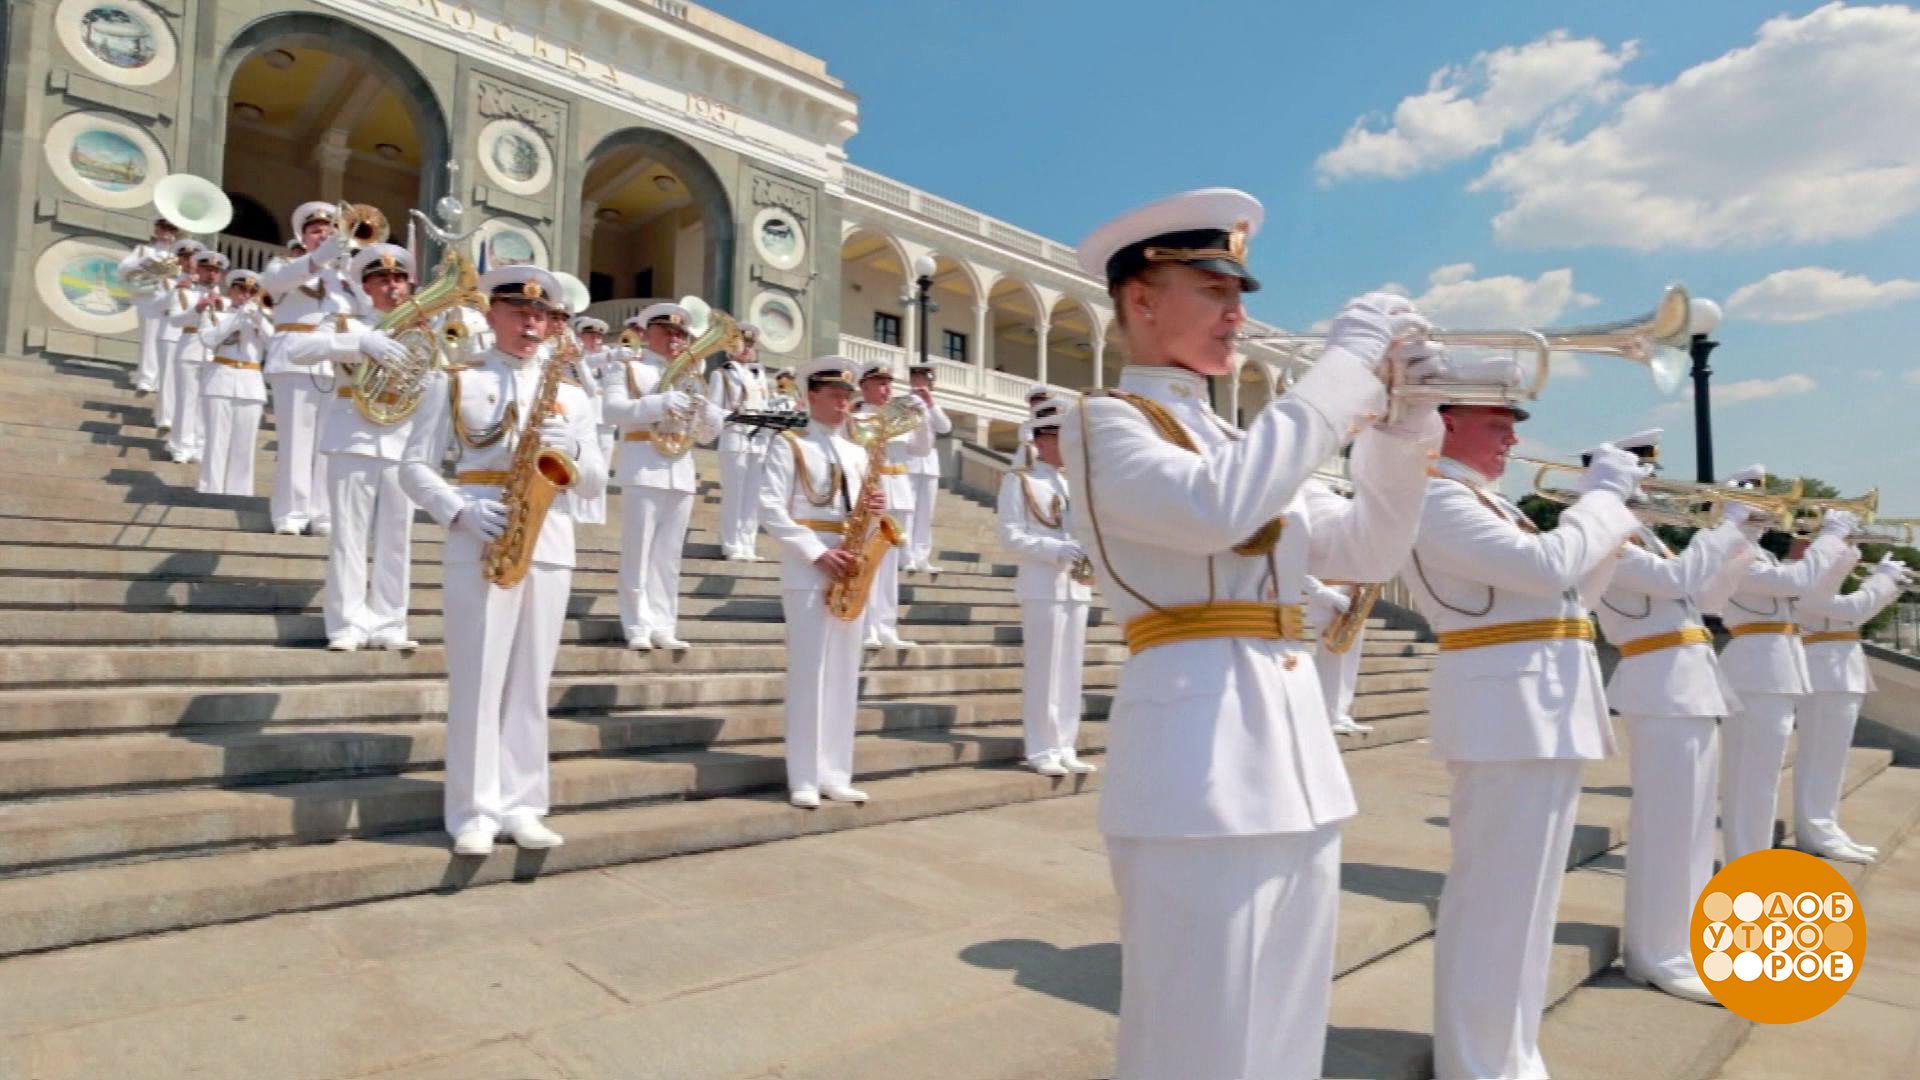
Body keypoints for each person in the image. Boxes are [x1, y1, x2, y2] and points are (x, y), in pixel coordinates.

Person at [1062, 188, 1444, 1080]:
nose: (1239, 314)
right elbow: (1217, 507)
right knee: (1197, 1037)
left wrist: (1400, 426)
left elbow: (1371, 546)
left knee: (1283, 1030)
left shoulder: (1236, 439)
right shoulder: (1105, 424)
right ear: (1142, 299)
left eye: (1241, 293)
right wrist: (1345, 366)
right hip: (1196, 764)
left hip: (1292, 757)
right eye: (1214, 289)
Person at [1407, 391, 1649, 1079]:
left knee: (1529, 906)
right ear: (1447, 422)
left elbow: (1572, 597)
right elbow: (1543, 569)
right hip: (1503, 713)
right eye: (1497, 423)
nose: (1511, 439)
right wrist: (1598, 501)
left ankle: (1511, 1055)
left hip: (1541, 708)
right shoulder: (1435, 497)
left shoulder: (1494, 503)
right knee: (1495, 902)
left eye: (1513, 426)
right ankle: (1476, 1062)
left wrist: (1610, 525)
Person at [397, 264, 607, 854]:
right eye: (519, 312)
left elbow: (593, 482)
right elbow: (413, 466)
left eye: (542, 316)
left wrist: (574, 456)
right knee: (478, 680)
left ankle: (524, 804)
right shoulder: (455, 380)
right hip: (479, 533)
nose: (531, 324)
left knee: (530, 683)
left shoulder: (571, 395)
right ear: (491, 315)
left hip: (550, 540)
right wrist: (457, 510)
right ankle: (471, 811)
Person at [1584, 429, 1753, 1005]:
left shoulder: (1645, 538)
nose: (1650, 486)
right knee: (1669, 828)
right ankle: (1659, 953)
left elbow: (1705, 600)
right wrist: (1724, 525)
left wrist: (1741, 540)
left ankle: (1677, 945)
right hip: (1660, 687)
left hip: (1687, 683)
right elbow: (1676, 581)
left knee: (1692, 825)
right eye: (1641, 475)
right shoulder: (1606, 537)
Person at [283, 243, 433, 652]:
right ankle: (347, 624)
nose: (393, 286)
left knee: (396, 540)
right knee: (348, 538)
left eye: (399, 278)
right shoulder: (347, 322)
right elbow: (295, 349)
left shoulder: (423, 330)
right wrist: (359, 344)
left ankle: (390, 622)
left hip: (404, 441)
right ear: (365, 285)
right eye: (382, 279)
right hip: (354, 437)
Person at [758, 355, 886, 809]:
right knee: (810, 674)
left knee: (843, 675)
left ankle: (836, 772)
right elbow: (771, 509)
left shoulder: (858, 452)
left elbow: (863, 515)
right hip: (809, 564)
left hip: (851, 565)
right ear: (810, 395)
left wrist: (875, 507)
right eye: (834, 396)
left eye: (848, 398)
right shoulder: (789, 444)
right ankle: (805, 777)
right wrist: (816, 552)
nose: (843, 405)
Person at [1710, 464, 1853, 863]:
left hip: (1774, 668)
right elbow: (1794, 584)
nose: (1770, 510)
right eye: (1758, 502)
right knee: (1750, 781)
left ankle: (1750, 859)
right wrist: (1830, 538)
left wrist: (1841, 550)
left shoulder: (1759, 553)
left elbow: (1806, 592)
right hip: (1756, 669)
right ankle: (1745, 862)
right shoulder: (1730, 551)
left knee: (1761, 780)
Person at [600, 303, 723, 650]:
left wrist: (711, 417)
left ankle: (664, 624)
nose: (675, 338)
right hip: (642, 464)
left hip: (680, 469)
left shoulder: (691, 377)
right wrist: (658, 403)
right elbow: (611, 412)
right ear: (645, 333)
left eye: (681, 333)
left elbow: (704, 436)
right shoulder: (628, 368)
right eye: (667, 331)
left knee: (668, 557)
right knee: (637, 551)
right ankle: (637, 623)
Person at [1792, 545, 1910, 862]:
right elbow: (1849, 610)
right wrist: (1881, 581)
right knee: (1820, 758)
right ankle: (1816, 830)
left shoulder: (1819, 576)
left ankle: (1824, 827)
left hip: (1841, 669)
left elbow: (1856, 617)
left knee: (1831, 760)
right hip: (1824, 670)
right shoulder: (1803, 574)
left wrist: (1890, 587)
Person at [996, 399, 1094, 777]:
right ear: (1042, 440)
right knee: (1045, 672)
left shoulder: (1073, 484)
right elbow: (1010, 535)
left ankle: (1065, 744)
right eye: (1062, 438)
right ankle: (1040, 748)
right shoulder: (1020, 480)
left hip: (1076, 584)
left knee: (1071, 672)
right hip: (1042, 584)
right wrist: (1054, 549)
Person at [259, 201, 357, 536]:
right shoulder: (284, 266)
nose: (323, 235)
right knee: (295, 442)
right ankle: (291, 513)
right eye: (316, 231)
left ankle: (322, 513)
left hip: (335, 366)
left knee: (328, 444)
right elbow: (280, 281)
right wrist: (323, 256)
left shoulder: (343, 278)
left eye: (329, 230)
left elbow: (365, 308)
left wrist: (351, 270)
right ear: (302, 237)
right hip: (294, 360)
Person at [852, 361, 934, 649]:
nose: (887, 389)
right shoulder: (857, 418)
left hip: (899, 492)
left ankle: (887, 627)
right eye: (879, 383)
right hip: (872, 494)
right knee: (868, 562)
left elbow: (921, 449)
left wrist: (923, 418)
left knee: (889, 568)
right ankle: (865, 628)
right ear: (863, 387)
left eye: (889, 383)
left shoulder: (899, 416)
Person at [195, 269, 271, 496]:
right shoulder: (216, 313)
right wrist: (237, 319)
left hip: (250, 383)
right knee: (216, 441)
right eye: (242, 290)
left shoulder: (262, 317)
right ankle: (210, 490)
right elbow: (208, 339)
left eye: (252, 291)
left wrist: (259, 320)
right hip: (220, 379)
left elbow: (275, 345)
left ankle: (239, 493)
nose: (246, 295)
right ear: (232, 290)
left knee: (244, 445)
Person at [709, 322, 770, 560]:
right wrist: (732, 416)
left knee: (752, 496)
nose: (747, 348)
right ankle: (731, 544)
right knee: (734, 494)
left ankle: (748, 543)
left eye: (751, 344)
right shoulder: (721, 374)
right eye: (742, 343)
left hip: (758, 440)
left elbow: (763, 407)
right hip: (735, 437)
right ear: (730, 347)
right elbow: (712, 411)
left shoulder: (759, 376)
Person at [163, 250, 229, 463]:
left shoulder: (225, 300)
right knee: (186, 401)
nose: (211, 274)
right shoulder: (184, 294)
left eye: (216, 271)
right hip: (190, 348)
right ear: (198, 270)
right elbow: (175, 321)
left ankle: (200, 447)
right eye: (207, 270)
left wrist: (222, 312)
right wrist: (197, 310)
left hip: (213, 355)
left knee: (206, 403)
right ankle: (180, 446)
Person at [119, 216, 182, 394]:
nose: (166, 232)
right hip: (150, 297)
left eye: (170, 228)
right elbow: (123, 268)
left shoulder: (179, 255)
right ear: (156, 230)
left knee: (168, 340)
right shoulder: (143, 250)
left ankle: (162, 379)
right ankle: (146, 379)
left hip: (171, 299)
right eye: (162, 228)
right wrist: (144, 263)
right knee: (149, 338)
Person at [903, 361, 954, 574]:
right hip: (909, 462)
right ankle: (906, 557)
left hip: (929, 466)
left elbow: (945, 427)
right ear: (913, 379)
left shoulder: (934, 405)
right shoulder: (904, 402)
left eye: (928, 379)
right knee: (908, 513)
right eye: (921, 378)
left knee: (925, 514)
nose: (924, 383)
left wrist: (930, 403)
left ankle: (922, 557)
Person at [566, 315, 612, 526]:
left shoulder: (607, 360)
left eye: (598, 337)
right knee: (579, 466)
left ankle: (596, 513)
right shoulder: (575, 360)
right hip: (583, 421)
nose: (595, 340)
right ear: (581, 337)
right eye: (590, 336)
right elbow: (589, 385)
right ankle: (575, 511)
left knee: (601, 468)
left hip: (605, 421)